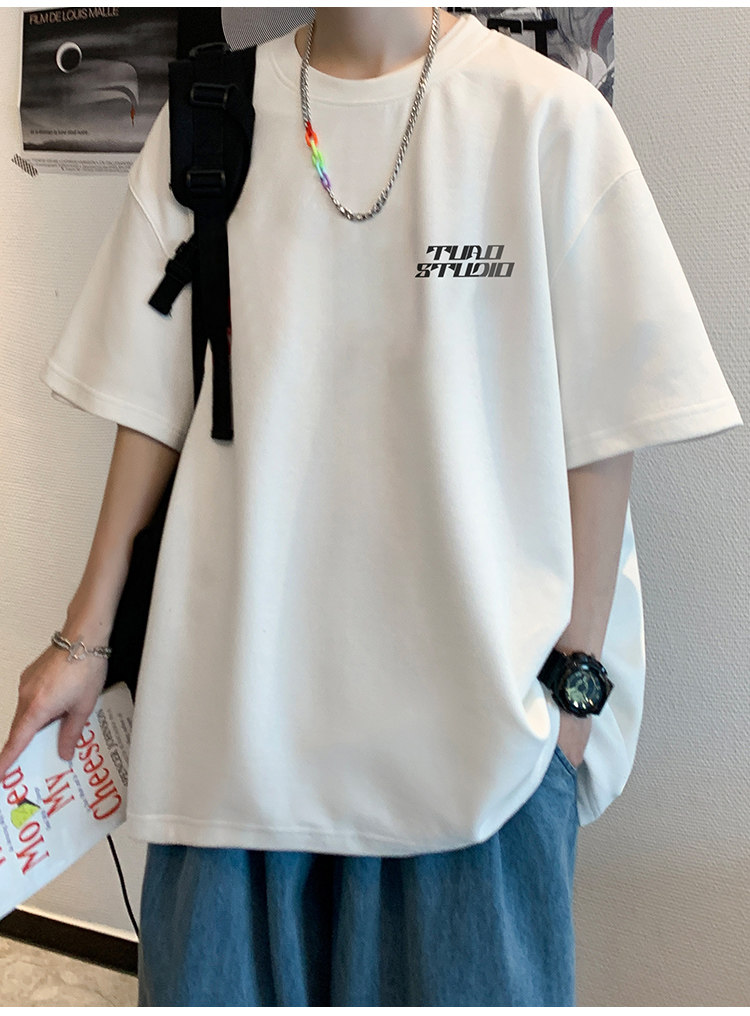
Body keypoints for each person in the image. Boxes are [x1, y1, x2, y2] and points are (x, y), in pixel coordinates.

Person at [1, 7, 742, 1006]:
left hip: (480, 755)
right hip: (232, 736)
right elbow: (152, 404)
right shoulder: (208, 115)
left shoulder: (546, 118)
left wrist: (573, 706)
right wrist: (82, 640)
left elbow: (608, 431)